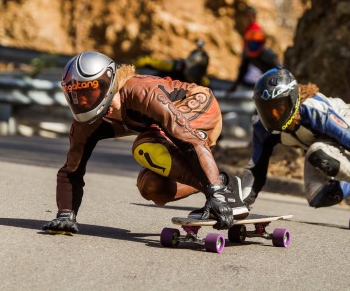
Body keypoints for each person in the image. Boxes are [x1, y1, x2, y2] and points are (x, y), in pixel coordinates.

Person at [42, 51, 248, 234]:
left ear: (109, 81)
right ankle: (225, 183)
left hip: (200, 104)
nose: (83, 101)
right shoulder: (84, 124)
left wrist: (214, 192)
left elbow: (189, 140)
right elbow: (71, 170)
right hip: (175, 131)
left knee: (146, 145)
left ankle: (220, 190)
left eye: (90, 90)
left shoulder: (142, 93)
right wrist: (65, 214)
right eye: (76, 94)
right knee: (151, 187)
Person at [241, 67, 350, 221]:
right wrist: (243, 204)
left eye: (279, 107)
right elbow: (256, 170)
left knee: (318, 152)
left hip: (348, 122)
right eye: (266, 110)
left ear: (292, 100)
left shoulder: (315, 111)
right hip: (317, 146)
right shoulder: (261, 128)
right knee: (317, 196)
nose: (274, 116)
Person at [228, 6, 279, 93]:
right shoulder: (249, 55)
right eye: (251, 43)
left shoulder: (267, 56)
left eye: (255, 43)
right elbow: (242, 72)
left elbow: (277, 72)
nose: (253, 45)